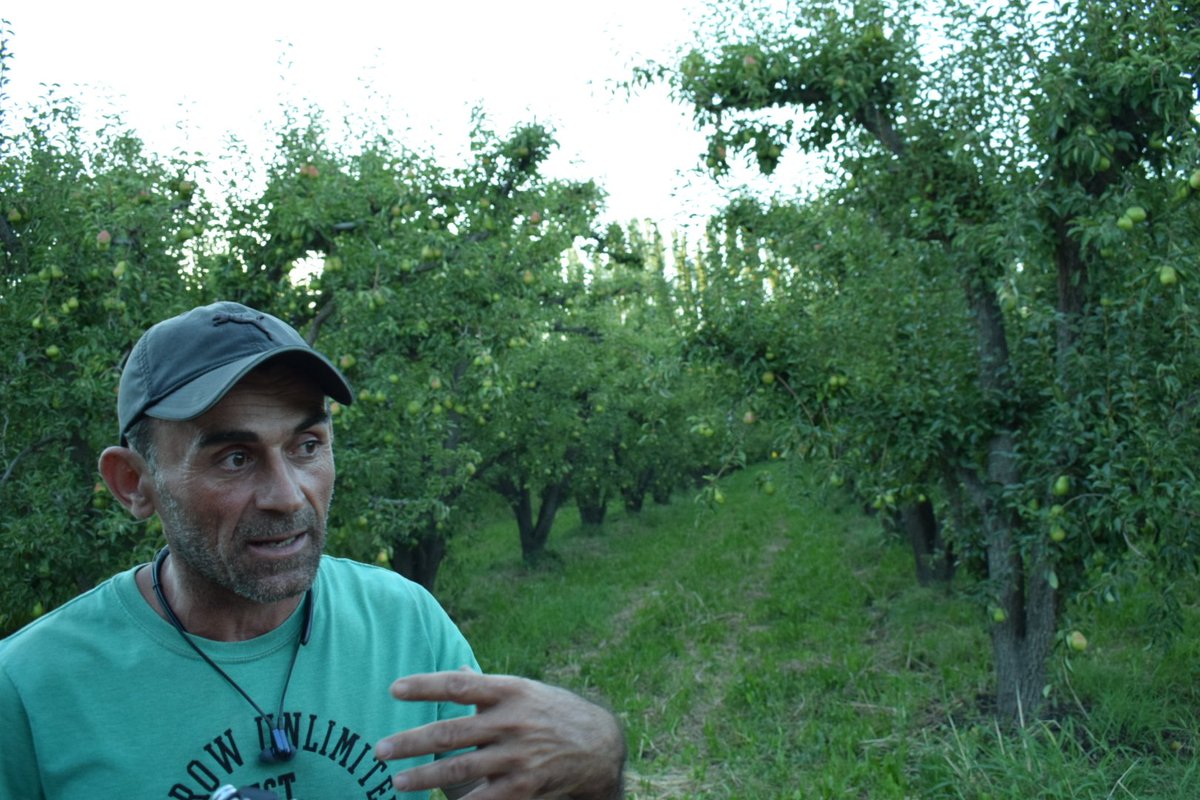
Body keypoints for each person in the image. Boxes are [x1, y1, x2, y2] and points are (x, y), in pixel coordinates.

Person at [0, 301, 626, 800]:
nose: (286, 495)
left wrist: (598, 759)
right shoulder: (29, 688)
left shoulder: (403, 620)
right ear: (134, 484)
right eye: (234, 457)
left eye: (307, 446)